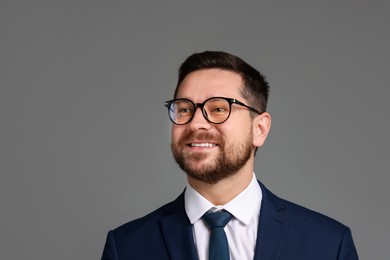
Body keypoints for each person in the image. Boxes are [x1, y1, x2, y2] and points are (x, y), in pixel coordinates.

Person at [101, 51, 358, 260]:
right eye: (184, 109)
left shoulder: (328, 245)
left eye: (218, 109)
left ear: (259, 129)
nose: (196, 123)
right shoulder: (126, 248)